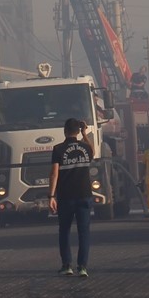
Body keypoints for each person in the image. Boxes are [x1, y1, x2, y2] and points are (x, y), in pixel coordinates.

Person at [48, 117, 95, 277]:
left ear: (64, 131)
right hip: (84, 195)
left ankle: (67, 265)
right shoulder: (85, 148)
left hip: (66, 197)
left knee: (64, 230)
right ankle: (82, 267)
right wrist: (85, 133)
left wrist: (51, 196)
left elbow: (54, 174)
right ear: (78, 131)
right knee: (84, 232)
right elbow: (92, 151)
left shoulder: (58, 149)